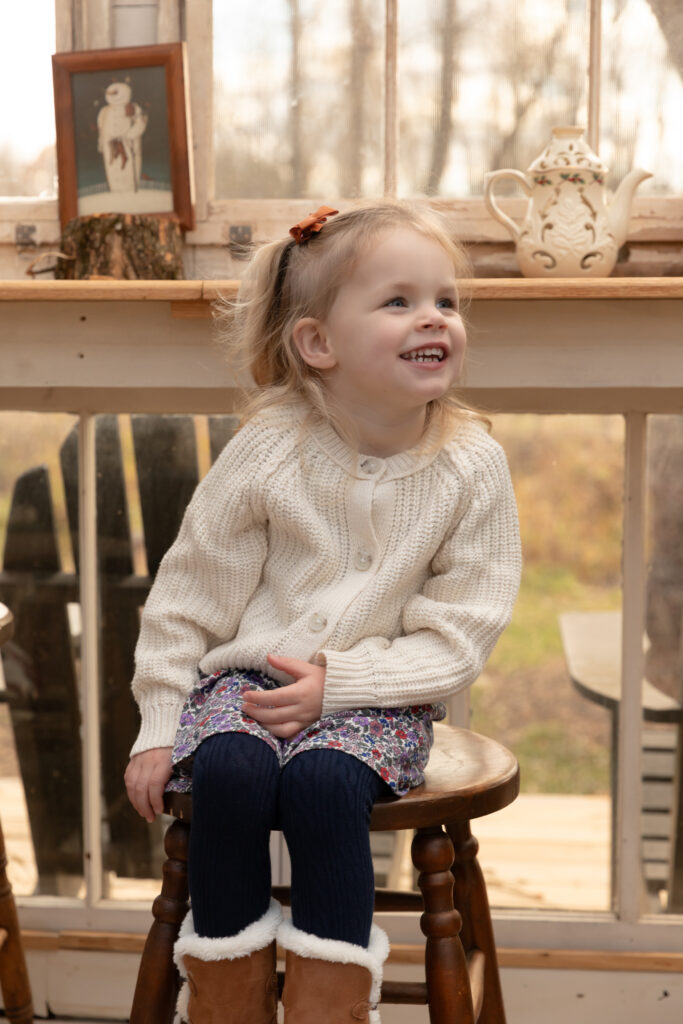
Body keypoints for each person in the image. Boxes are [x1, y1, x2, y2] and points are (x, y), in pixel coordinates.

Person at [124, 200, 522, 1023]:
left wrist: (340, 683)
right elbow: (190, 592)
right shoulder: (271, 446)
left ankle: (329, 1010)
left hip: (377, 697)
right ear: (318, 344)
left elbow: (460, 632)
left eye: (445, 301)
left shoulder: (470, 467)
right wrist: (160, 722)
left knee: (323, 780)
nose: (434, 320)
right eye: (399, 301)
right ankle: (226, 1001)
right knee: (230, 772)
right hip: (246, 683)